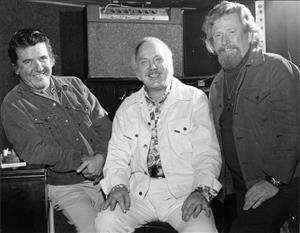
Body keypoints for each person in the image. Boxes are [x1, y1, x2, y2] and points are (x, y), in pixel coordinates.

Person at [94, 36, 222, 233]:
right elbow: (117, 156)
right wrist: (117, 186)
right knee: (105, 222)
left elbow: (207, 154)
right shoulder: (127, 108)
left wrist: (201, 191)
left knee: (202, 230)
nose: (152, 67)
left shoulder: (195, 100)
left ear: (170, 63)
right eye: (144, 62)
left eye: (158, 59)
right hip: (137, 195)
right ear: (137, 72)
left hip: (184, 195)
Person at [1, 28, 112, 233]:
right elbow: (35, 151)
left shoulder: (75, 84)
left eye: (43, 58)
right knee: (95, 229)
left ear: (52, 59)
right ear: (16, 68)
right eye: (27, 62)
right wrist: (84, 162)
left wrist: (100, 156)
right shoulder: (13, 104)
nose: (38, 67)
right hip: (67, 187)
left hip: (108, 176)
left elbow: (103, 124)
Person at [202, 1, 300, 232]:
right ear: (211, 44)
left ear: (249, 34)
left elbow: (293, 130)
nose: (225, 42)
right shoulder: (216, 84)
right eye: (218, 35)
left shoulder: (275, 68)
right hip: (241, 187)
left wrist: (274, 181)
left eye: (232, 32)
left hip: (282, 184)